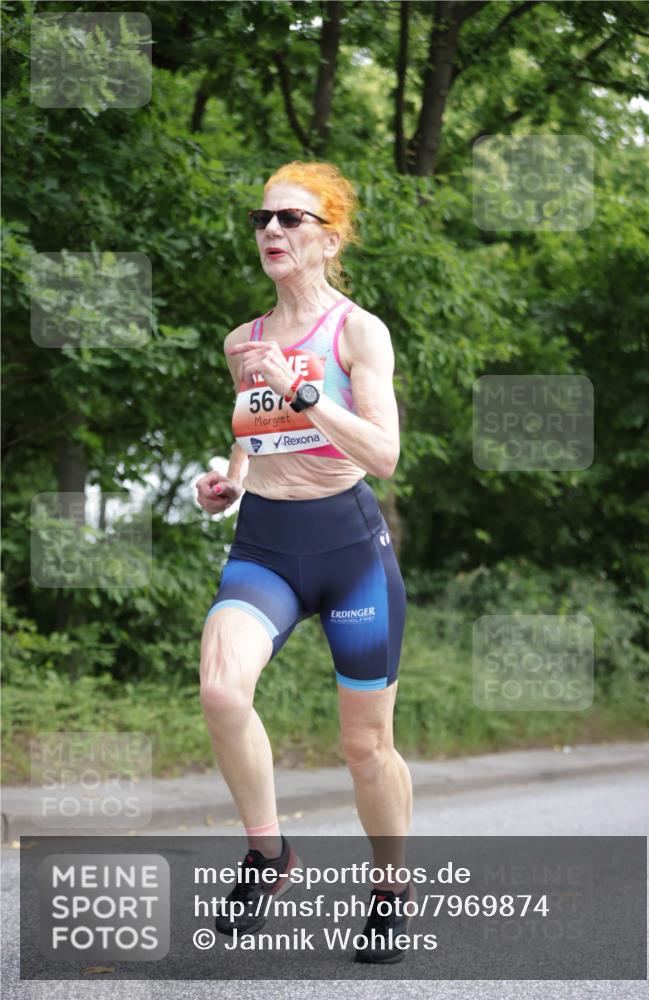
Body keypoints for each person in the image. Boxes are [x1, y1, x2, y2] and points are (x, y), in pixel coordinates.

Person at [196, 161, 415, 963]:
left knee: (365, 749)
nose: (272, 232)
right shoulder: (242, 342)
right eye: (262, 219)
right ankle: (268, 852)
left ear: (328, 237)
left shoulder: (358, 332)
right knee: (220, 687)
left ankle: (390, 889)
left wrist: (309, 395)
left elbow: (385, 454)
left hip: (350, 548)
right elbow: (253, 434)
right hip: (266, 544)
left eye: (290, 220)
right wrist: (229, 480)